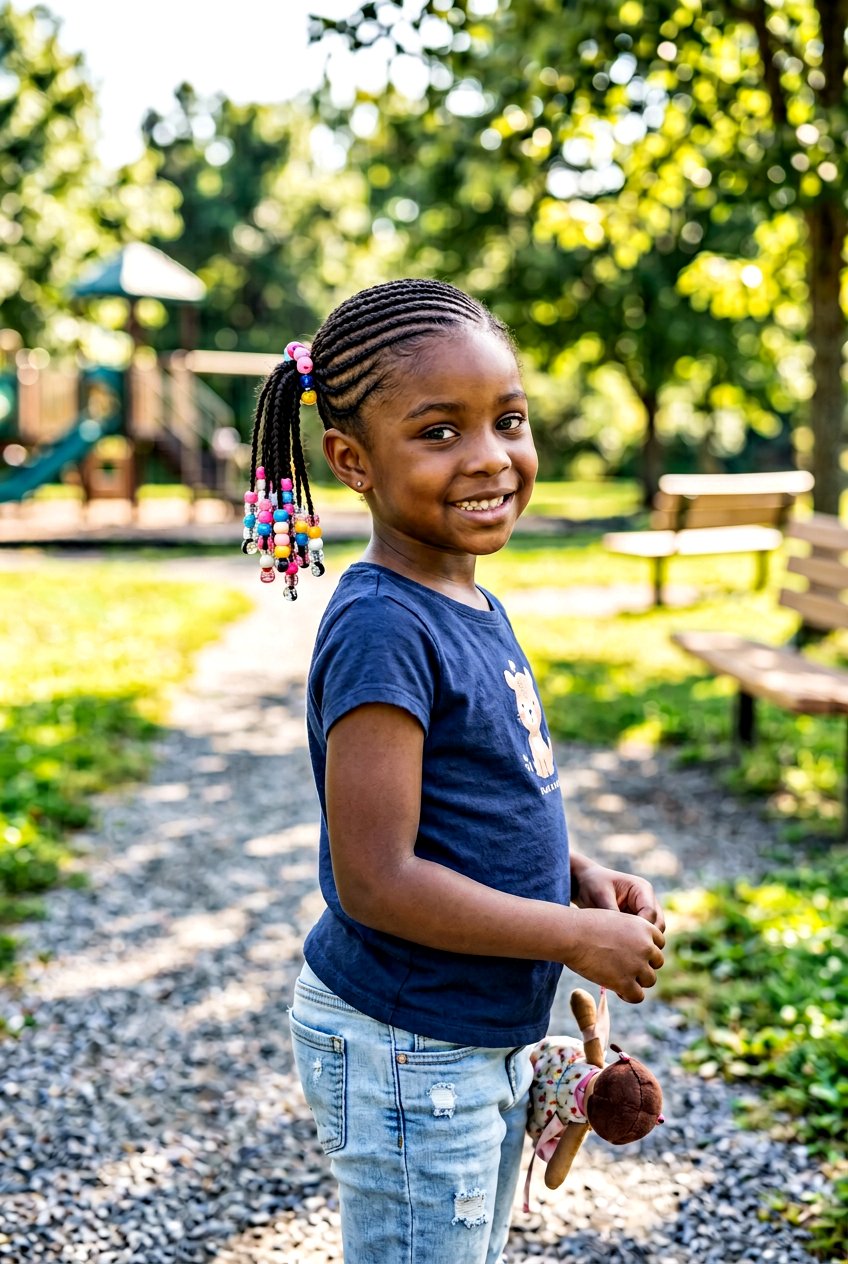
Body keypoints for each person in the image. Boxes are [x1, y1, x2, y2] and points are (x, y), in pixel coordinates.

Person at [244, 279, 666, 1263]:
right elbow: (376, 879)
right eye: (439, 431)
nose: (490, 457)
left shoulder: (466, 599)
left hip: (466, 1036)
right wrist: (571, 934)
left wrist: (577, 876)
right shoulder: (384, 625)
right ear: (351, 460)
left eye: (507, 419)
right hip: (406, 1043)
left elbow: (484, 798)